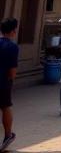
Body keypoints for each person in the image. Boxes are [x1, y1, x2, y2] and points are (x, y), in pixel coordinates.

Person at [0, 19, 19, 152]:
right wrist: (11, 80)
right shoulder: (12, 47)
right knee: (5, 106)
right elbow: (12, 70)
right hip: (3, 81)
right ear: (13, 31)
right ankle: (7, 135)